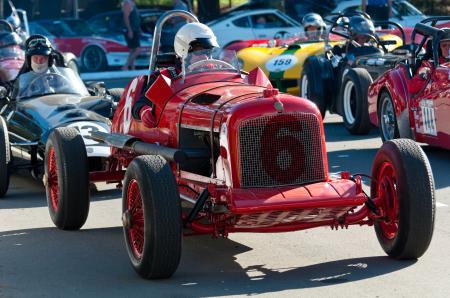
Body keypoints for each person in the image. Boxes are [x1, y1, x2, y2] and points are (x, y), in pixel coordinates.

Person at [132, 22, 219, 126]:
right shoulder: (168, 77)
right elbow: (140, 106)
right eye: (199, 52)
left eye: (208, 52)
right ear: (184, 51)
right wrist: (144, 111)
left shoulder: (218, 74)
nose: (205, 57)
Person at [122, 0, 141, 70]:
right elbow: (126, 17)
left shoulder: (133, 3)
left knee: (132, 50)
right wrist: (130, 30)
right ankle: (125, 66)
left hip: (134, 30)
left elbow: (136, 18)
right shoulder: (127, 3)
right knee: (138, 50)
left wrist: (139, 29)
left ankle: (132, 68)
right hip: (131, 30)